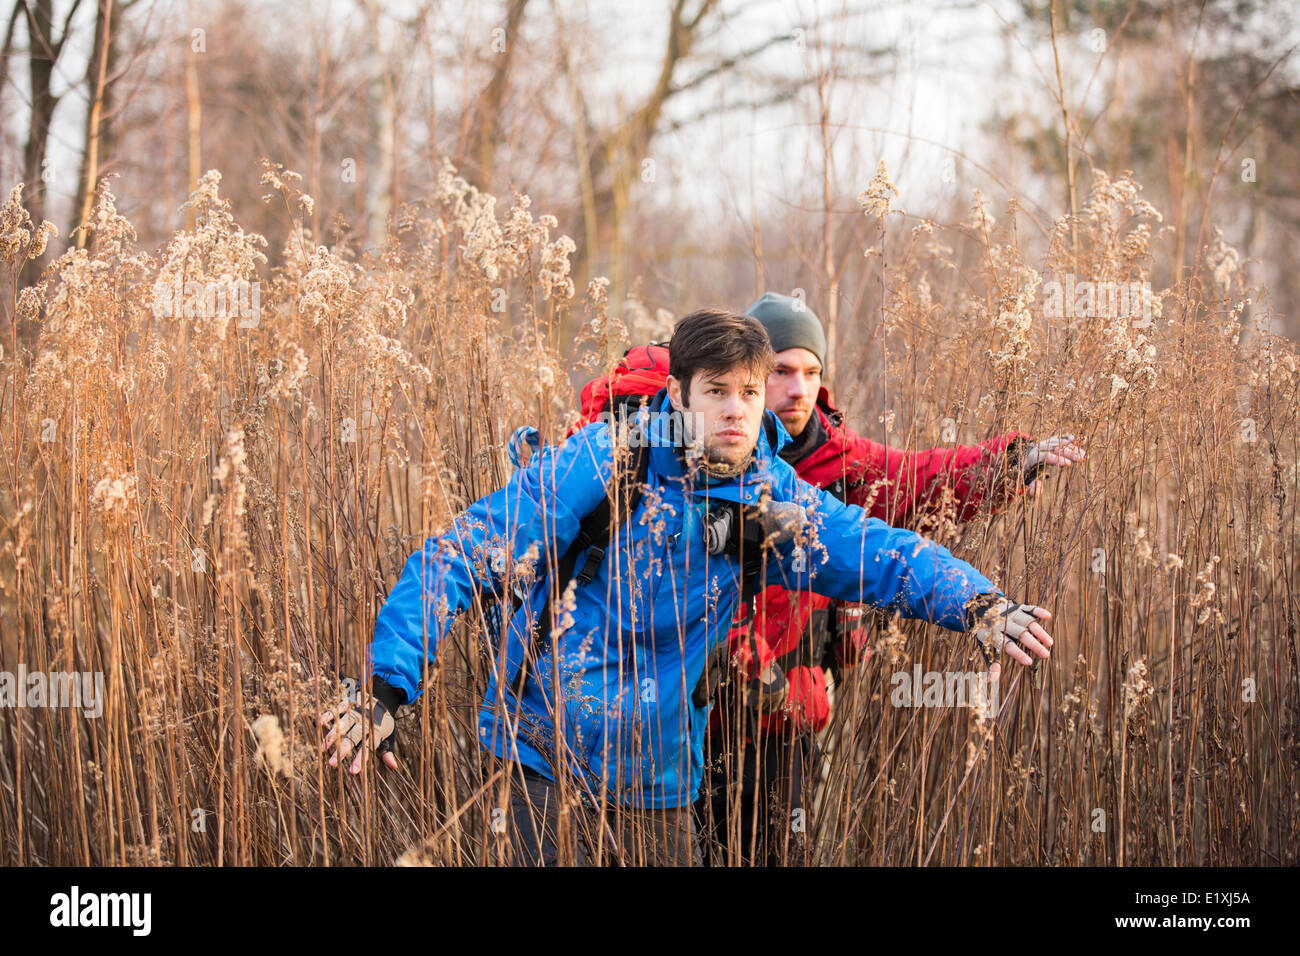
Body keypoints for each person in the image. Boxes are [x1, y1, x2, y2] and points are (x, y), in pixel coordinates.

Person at [319, 307, 1055, 866]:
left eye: (747, 391)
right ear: (678, 395)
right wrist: (386, 688)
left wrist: (979, 604)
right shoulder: (608, 459)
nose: (735, 408)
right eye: (715, 391)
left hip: (661, 786)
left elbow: (884, 555)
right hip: (542, 764)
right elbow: (464, 552)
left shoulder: (774, 495)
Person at [696, 292, 1084, 866]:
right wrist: (788, 691)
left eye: (811, 372)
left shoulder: (843, 464)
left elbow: (923, 479)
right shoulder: (703, 464)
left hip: (783, 735)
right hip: (699, 720)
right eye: (779, 371)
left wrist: (1012, 462)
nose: (798, 390)